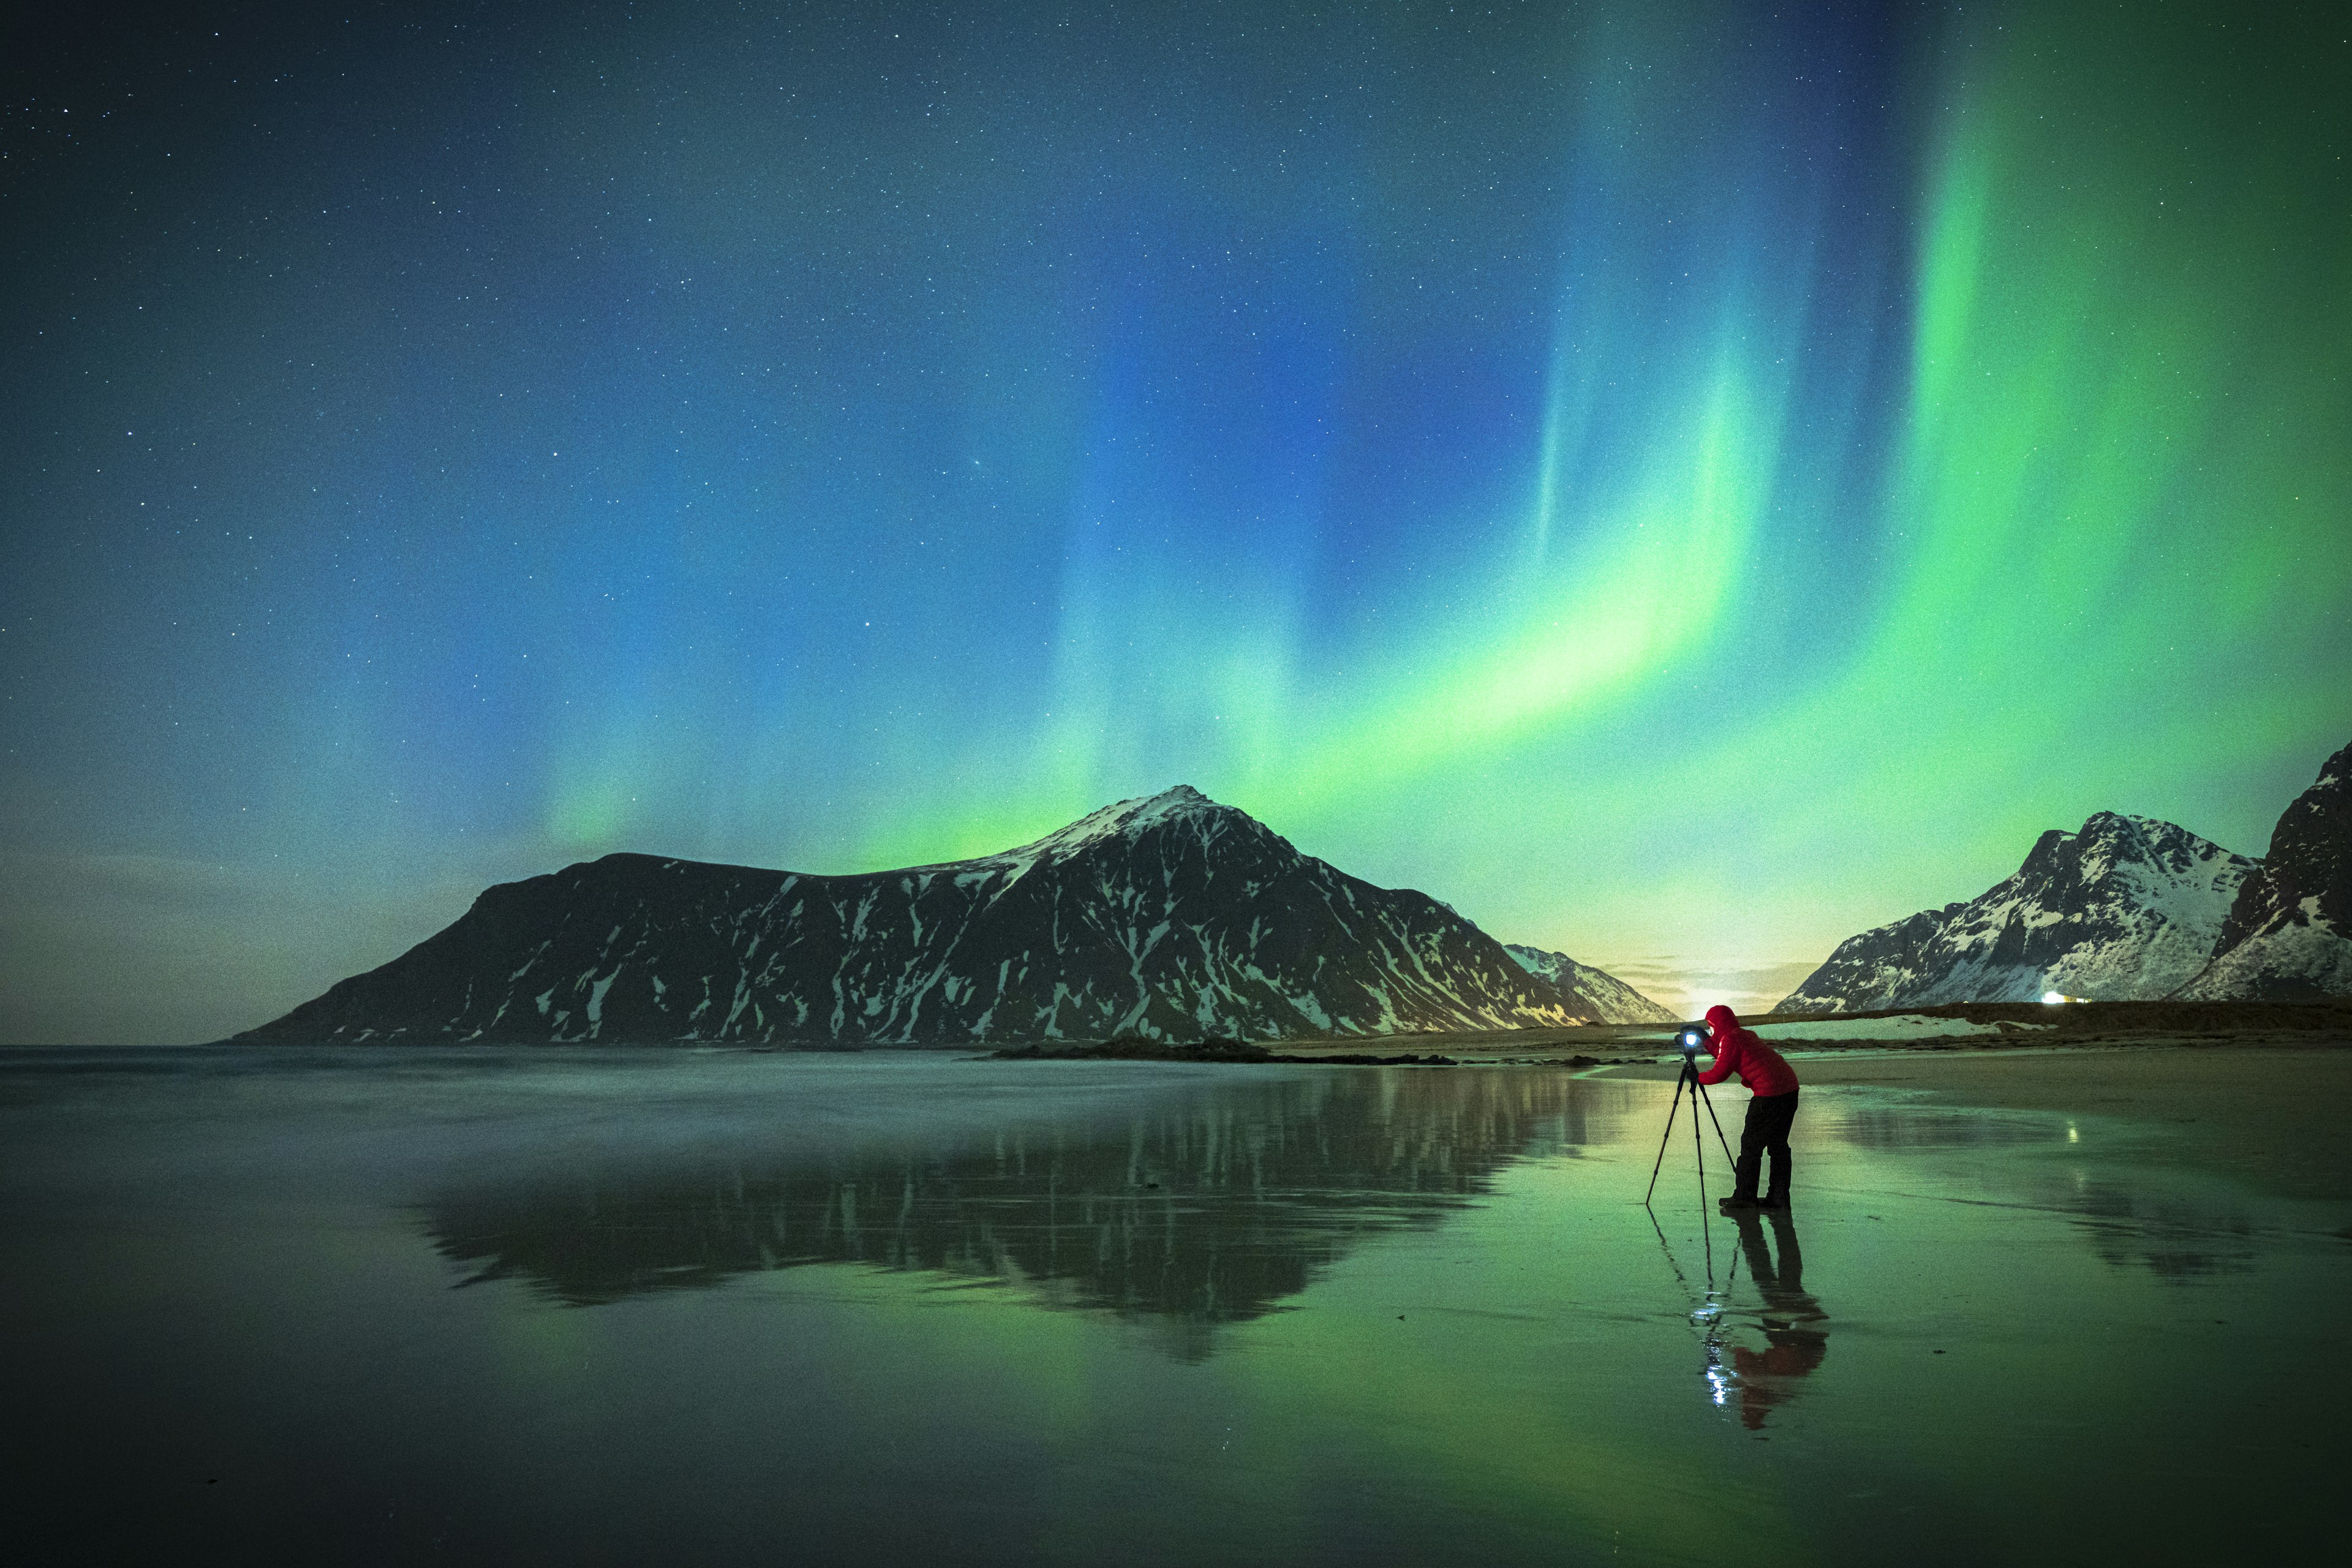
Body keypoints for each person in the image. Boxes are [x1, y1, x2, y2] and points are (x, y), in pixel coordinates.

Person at [1693, 1003, 1799, 1210]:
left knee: (1751, 1146)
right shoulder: (1744, 1035)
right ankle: (1778, 1198)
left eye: (1711, 1028)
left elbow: (1721, 1072)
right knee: (1778, 1146)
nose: (1711, 1031)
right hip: (1789, 1089)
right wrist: (1706, 1042)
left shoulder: (1730, 1039)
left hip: (1769, 1095)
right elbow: (1727, 1055)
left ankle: (1744, 1198)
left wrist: (1698, 1078)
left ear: (1717, 1025)